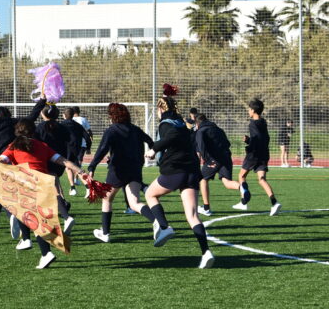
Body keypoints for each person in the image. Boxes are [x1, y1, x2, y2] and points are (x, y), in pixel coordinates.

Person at [0, 119, 86, 269]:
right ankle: (30, 242)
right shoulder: (42, 145)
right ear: (33, 131)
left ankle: (40, 249)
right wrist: (80, 171)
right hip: (44, 186)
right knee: (31, 217)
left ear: (17, 131)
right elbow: (62, 161)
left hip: (26, 186)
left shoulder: (14, 146)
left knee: (28, 216)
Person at [143, 88, 216, 269]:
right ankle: (206, 252)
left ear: (161, 109)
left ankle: (164, 227)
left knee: (150, 194)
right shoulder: (182, 123)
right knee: (192, 216)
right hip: (192, 171)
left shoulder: (166, 124)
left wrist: (154, 149)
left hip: (176, 169)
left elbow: (172, 137)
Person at [86, 102, 155, 244]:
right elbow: (150, 141)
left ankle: (105, 233)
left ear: (112, 116)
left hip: (118, 170)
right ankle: (159, 223)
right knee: (134, 202)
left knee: (106, 199)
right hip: (135, 169)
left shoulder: (112, 130)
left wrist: (92, 167)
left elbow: (102, 150)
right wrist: (152, 151)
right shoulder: (135, 129)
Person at [0, 98, 46, 232]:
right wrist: (41, 102)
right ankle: (12, 216)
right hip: (10, 159)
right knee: (10, 191)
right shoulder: (10, 122)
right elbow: (31, 118)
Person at [234, 98, 281, 216]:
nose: (248, 111)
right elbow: (264, 138)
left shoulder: (253, 123)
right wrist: (249, 140)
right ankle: (274, 202)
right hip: (264, 154)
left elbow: (257, 139)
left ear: (253, 110)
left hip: (254, 154)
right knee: (262, 179)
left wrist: (249, 145)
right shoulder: (263, 122)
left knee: (241, 176)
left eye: (249, 109)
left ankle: (244, 201)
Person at [35, 104, 76, 235]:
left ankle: (65, 216)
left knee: (50, 190)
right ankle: (63, 209)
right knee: (54, 186)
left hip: (45, 160)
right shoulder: (62, 127)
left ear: (42, 114)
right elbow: (71, 143)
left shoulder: (39, 128)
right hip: (59, 161)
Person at [193, 112, 241, 217]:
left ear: (197, 123)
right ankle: (242, 187)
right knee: (227, 182)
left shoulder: (200, 131)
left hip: (214, 160)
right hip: (226, 157)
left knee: (202, 179)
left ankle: (206, 208)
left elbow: (201, 147)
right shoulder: (218, 129)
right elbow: (228, 143)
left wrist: (207, 160)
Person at [62, 107, 90, 195]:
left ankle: (87, 187)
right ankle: (73, 188)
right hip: (76, 149)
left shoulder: (61, 125)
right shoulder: (78, 125)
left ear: (64, 115)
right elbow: (87, 137)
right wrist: (88, 147)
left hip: (66, 149)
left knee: (72, 168)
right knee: (73, 167)